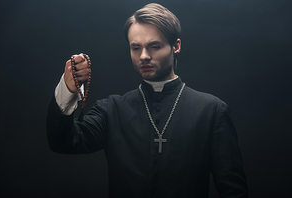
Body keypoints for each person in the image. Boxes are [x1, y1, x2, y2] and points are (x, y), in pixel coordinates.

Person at [46, 3, 248, 197]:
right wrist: (69, 88)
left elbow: (233, 191)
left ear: (175, 46)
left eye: (154, 46)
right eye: (136, 48)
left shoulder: (212, 111)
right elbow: (63, 142)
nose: (143, 56)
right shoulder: (111, 109)